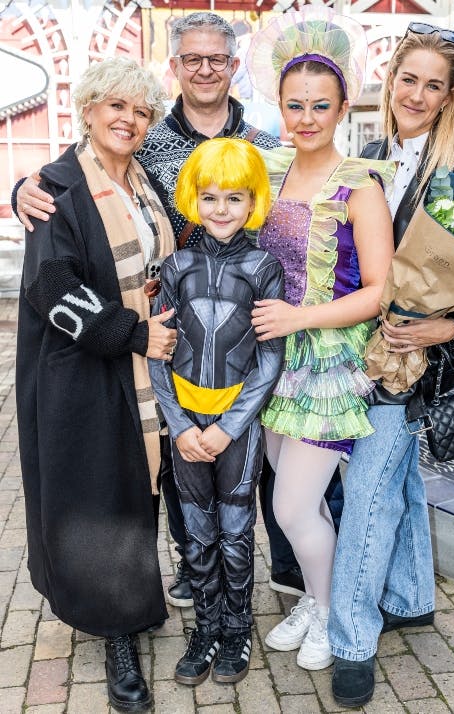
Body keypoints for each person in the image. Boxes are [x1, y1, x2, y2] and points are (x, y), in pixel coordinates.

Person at [12, 11, 308, 605]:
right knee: (174, 462)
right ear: (174, 67)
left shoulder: (268, 147)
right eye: (191, 59)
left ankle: (284, 562)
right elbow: (76, 210)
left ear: (232, 67)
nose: (204, 69)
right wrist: (26, 187)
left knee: (251, 457)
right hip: (163, 343)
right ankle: (188, 563)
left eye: (217, 59)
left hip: (251, 327)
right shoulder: (149, 146)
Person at [328, 22, 454, 707]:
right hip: (361, 352)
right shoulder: (367, 155)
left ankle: (351, 640)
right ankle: (408, 595)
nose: (418, 95)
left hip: (416, 359)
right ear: (390, 80)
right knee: (394, 480)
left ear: (450, 92)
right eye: (409, 79)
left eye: (435, 84)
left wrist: (451, 323)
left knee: (368, 491)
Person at [16, 57, 176, 712]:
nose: (128, 120)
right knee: (99, 498)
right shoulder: (55, 187)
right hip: (80, 371)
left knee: (135, 489)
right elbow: (52, 291)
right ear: (88, 109)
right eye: (116, 106)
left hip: (140, 372)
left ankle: (134, 602)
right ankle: (115, 638)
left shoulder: (144, 183)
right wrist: (135, 334)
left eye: (140, 112)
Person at [246, 7, 395, 671]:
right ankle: (315, 596)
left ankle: (331, 615)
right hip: (270, 359)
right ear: (278, 102)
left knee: (291, 503)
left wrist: (298, 319)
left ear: (342, 107)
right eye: (295, 104)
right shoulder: (267, 167)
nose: (307, 118)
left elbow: (378, 292)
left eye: (321, 106)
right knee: (289, 493)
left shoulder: (361, 187)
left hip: (325, 363)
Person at [148, 137, 285, 685]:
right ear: (192, 198)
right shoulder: (175, 265)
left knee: (235, 532)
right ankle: (204, 629)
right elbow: (159, 350)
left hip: (238, 429)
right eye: (210, 197)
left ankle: (235, 631)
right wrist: (180, 426)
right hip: (186, 427)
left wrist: (229, 429)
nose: (221, 209)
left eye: (234, 197)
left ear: (253, 201)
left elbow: (270, 356)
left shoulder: (263, 267)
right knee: (197, 535)